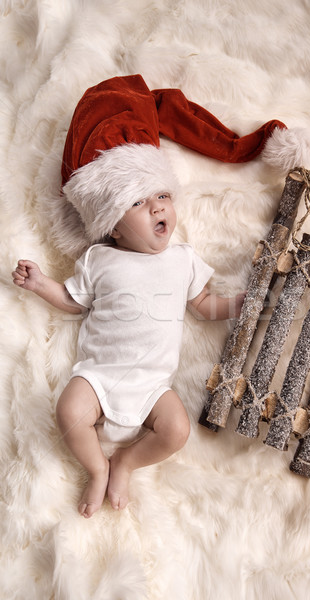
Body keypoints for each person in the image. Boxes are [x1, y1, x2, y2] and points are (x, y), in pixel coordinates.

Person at [12, 190, 246, 519]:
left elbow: (204, 306)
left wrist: (235, 306)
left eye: (163, 195)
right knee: (69, 411)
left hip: (153, 386)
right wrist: (39, 283)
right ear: (114, 228)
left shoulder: (183, 258)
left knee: (177, 431)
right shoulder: (100, 258)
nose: (157, 206)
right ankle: (97, 469)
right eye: (138, 203)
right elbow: (71, 300)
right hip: (99, 374)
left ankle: (125, 462)